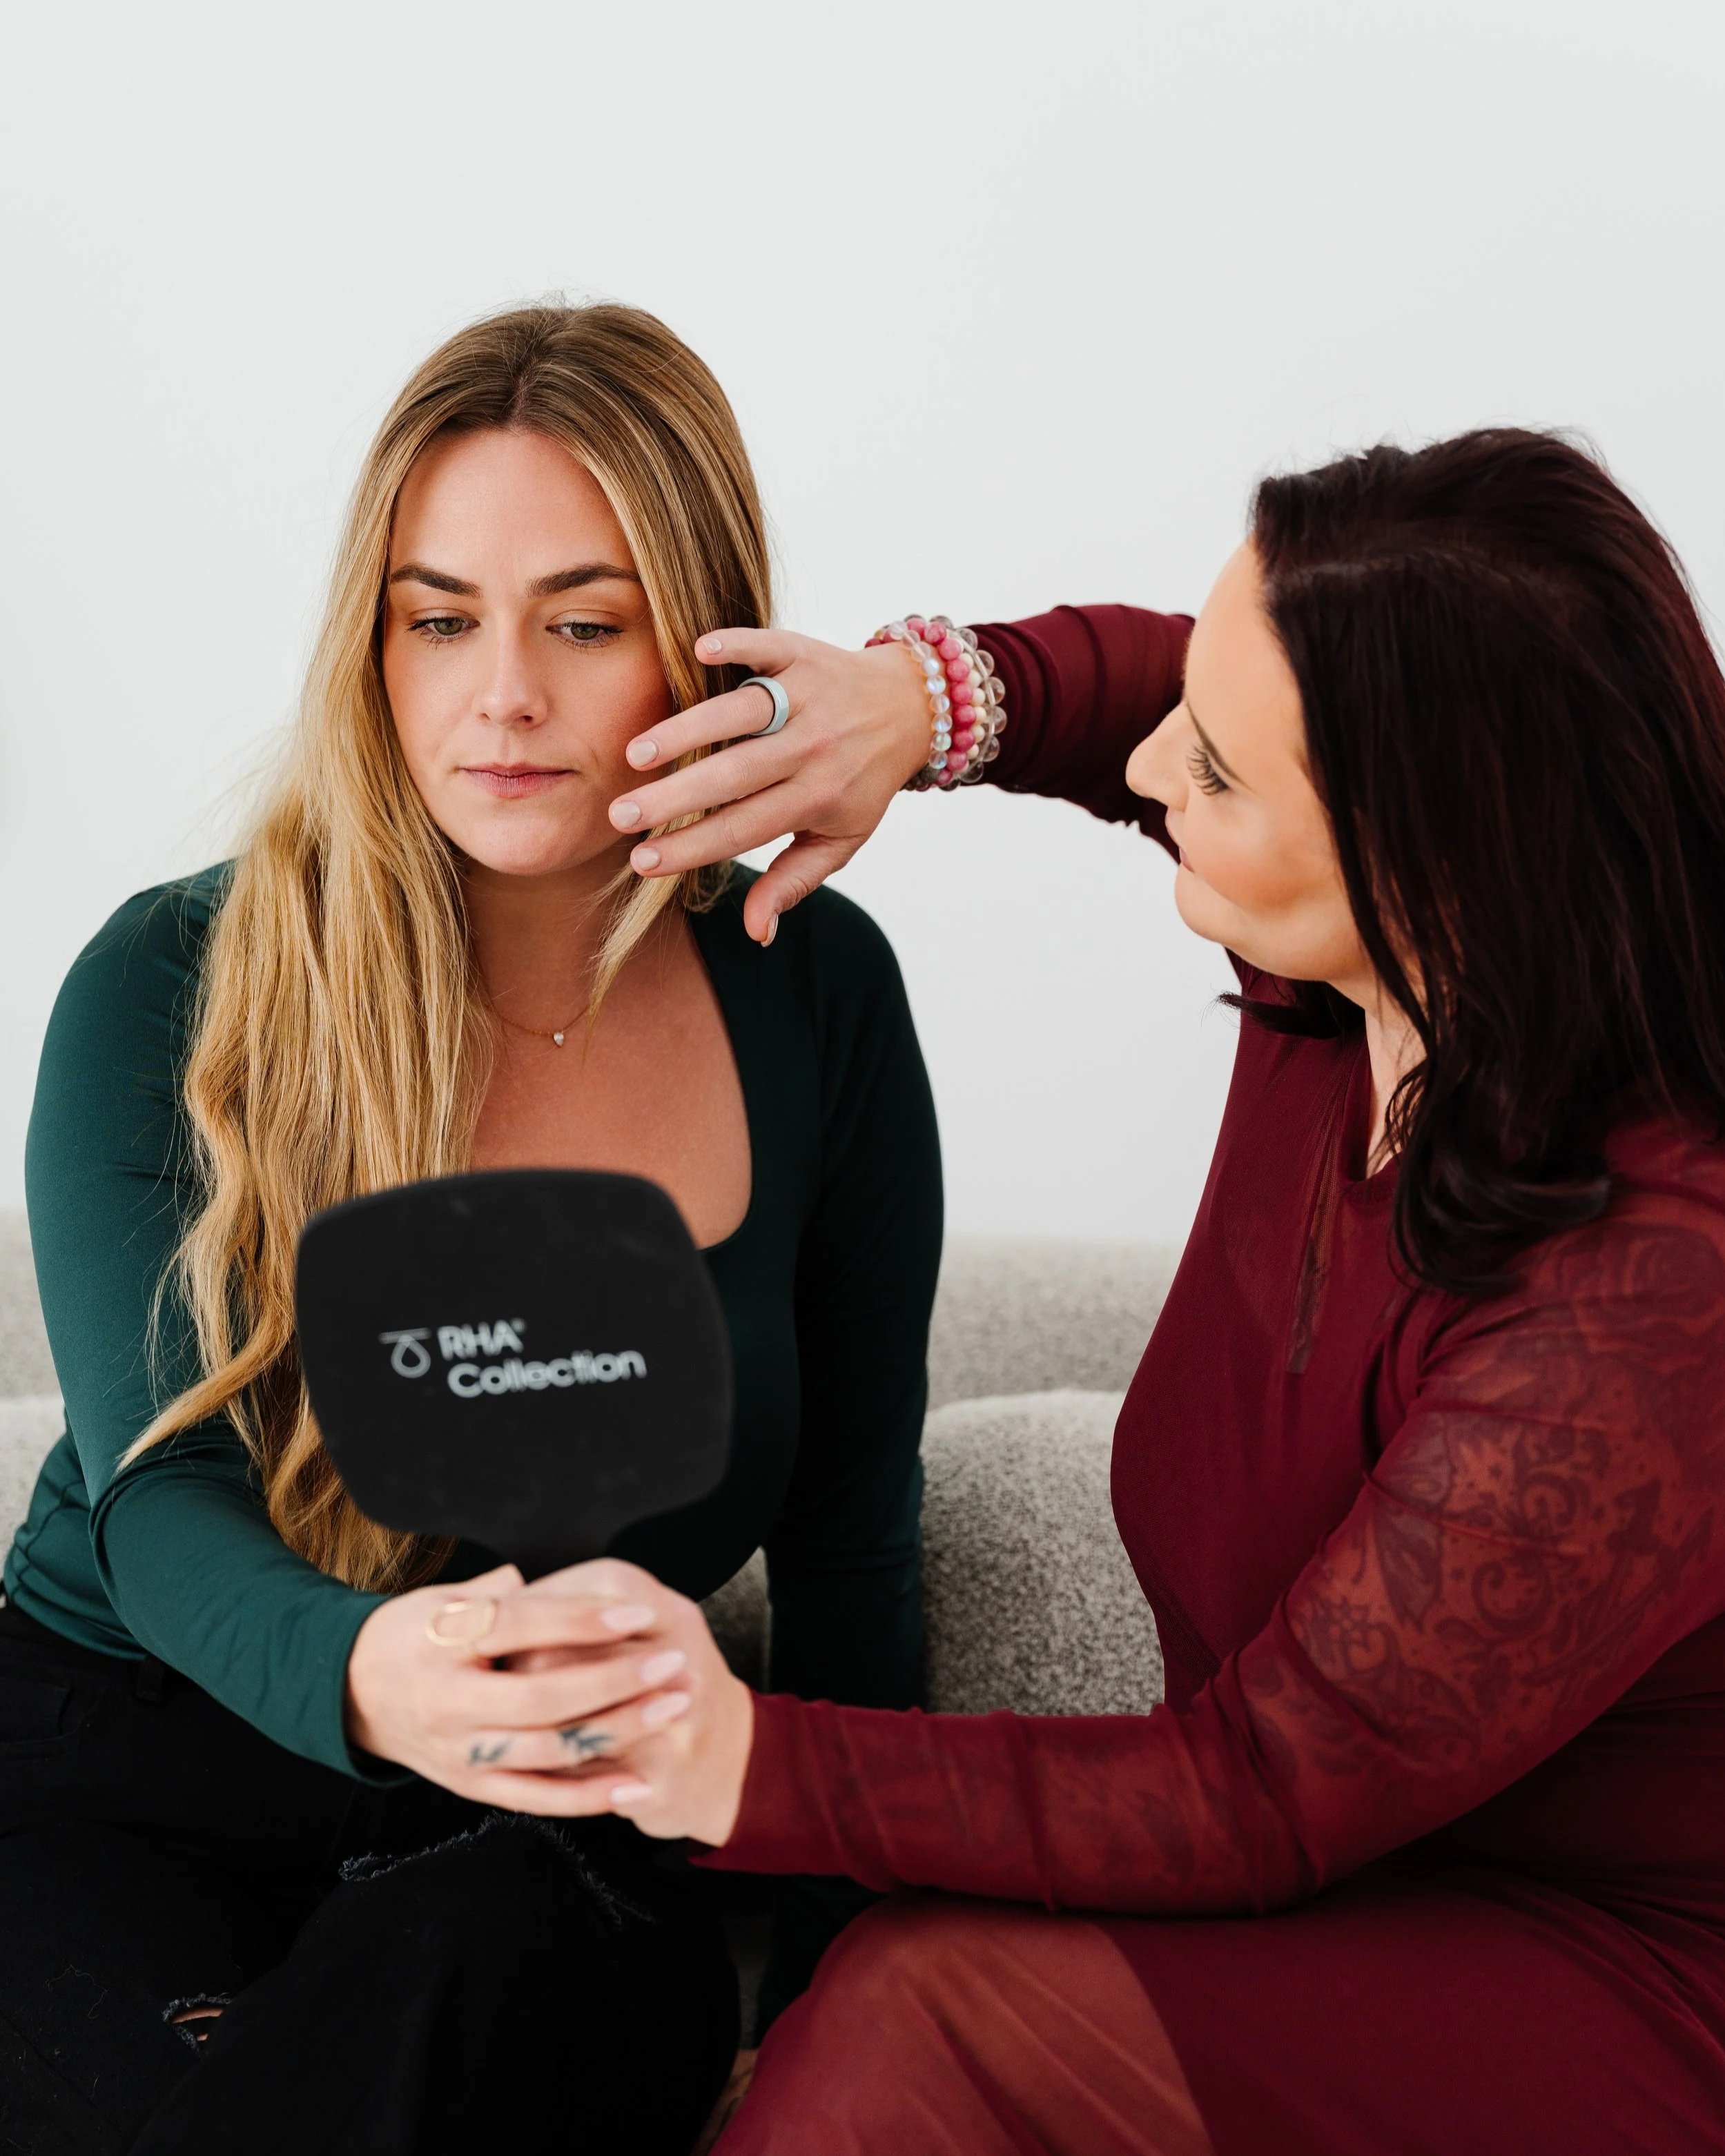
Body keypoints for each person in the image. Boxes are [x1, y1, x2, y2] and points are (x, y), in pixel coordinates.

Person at [475, 429, 1725, 2153]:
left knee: (924, 2014)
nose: (1146, 766)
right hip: (1339, 1876)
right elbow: (1155, 681)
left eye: (1206, 772)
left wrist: (738, 1760)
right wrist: (920, 708)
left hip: (1610, 1980)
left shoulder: (1644, 1290)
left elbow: (1259, 1784)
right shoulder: (1355, 983)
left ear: (1428, 857)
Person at [0, 303, 940, 2155]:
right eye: (439, 617)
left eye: (580, 623)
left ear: (704, 641)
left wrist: (836, 1991)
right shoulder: (170, 982)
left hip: (550, 1839)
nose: (499, 690)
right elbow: (162, 1498)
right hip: (124, 1762)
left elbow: (848, 1562)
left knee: (482, 1955)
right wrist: (375, 1671)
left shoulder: (810, 993)